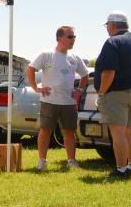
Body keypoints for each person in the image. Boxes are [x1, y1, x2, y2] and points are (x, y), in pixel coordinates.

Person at [95, 12, 131, 179]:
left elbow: (108, 72)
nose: (107, 29)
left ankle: (121, 169)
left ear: (112, 25)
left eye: (107, 26)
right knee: (130, 132)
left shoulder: (113, 42)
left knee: (117, 133)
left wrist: (102, 92)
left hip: (116, 93)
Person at [26, 26, 89, 171]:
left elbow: (85, 75)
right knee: (45, 130)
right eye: (70, 37)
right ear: (59, 38)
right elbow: (30, 69)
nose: (73, 40)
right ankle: (42, 161)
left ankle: (71, 161)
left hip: (68, 102)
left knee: (69, 131)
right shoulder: (46, 54)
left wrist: (79, 89)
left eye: (74, 37)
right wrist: (36, 88)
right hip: (49, 100)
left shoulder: (75, 57)